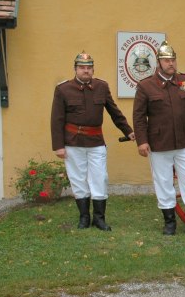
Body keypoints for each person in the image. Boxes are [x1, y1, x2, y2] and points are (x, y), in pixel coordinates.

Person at [132, 41, 185, 238]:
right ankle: (170, 224)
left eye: (173, 59)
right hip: (159, 144)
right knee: (164, 183)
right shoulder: (146, 86)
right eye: (167, 60)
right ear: (158, 63)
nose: (171, 63)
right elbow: (139, 116)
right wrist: (141, 141)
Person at [51, 52, 135, 231]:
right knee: (78, 179)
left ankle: (99, 219)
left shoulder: (101, 87)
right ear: (75, 69)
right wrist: (58, 146)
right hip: (72, 142)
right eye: (82, 68)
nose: (85, 71)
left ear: (93, 69)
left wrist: (128, 131)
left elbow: (114, 112)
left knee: (100, 178)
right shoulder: (63, 89)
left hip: (96, 141)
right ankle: (84, 217)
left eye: (89, 68)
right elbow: (56, 119)